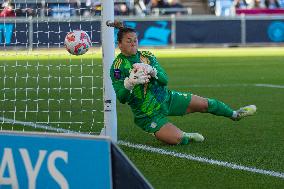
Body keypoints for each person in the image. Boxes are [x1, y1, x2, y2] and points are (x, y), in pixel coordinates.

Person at [109, 21, 257, 145]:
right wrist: (129, 83)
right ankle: (183, 135)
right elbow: (122, 98)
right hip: (147, 114)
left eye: (135, 40)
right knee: (179, 139)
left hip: (167, 99)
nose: (133, 43)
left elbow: (165, 80)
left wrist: (153, 71)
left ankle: (235, 114)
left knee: (206, 104)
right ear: (120, 44)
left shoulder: (147, 56)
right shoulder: (117, 66)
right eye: (129, 41)